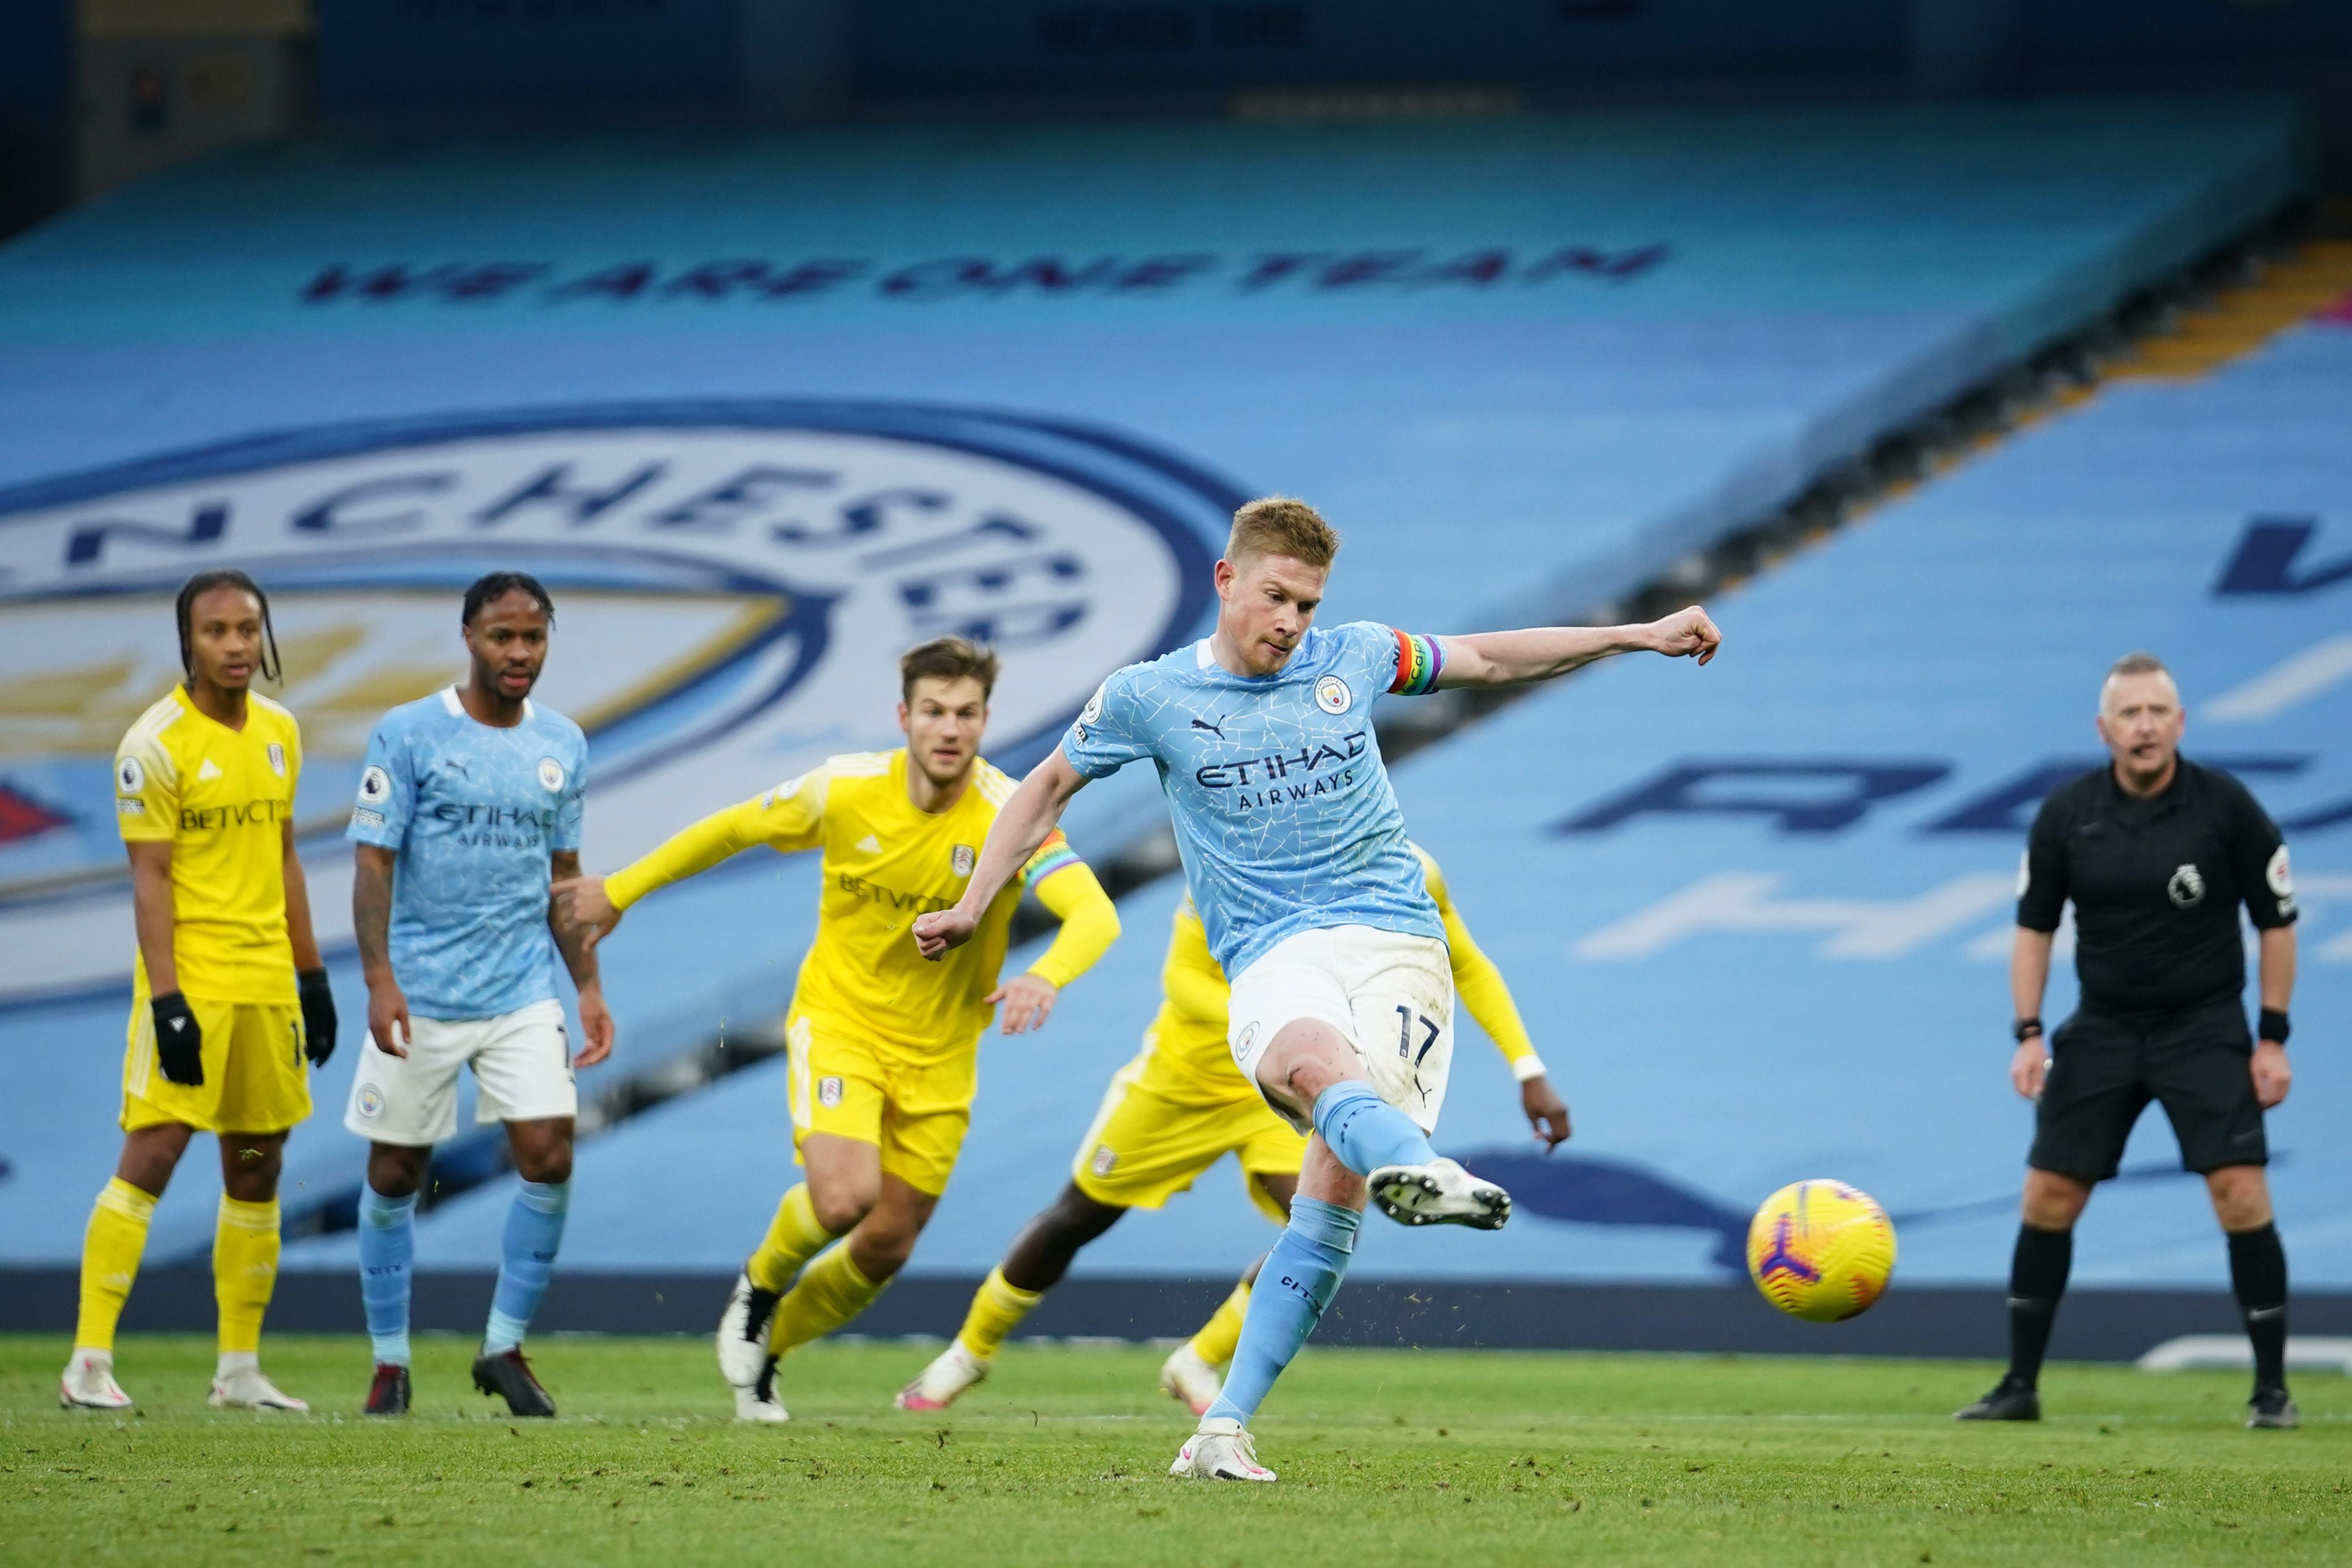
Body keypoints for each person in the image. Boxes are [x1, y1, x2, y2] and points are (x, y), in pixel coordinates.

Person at [913, 496, 1718, 1481]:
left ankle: (1222, 1428)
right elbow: (1041, 790)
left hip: (1394, 941)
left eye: (1307, 603)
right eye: (1275, 597)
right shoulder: (1149, 697)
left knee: (1329, 1204)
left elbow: (1496, 658)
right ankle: (1422, 1165)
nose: (1291, 622)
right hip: (1270, 950)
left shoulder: (1357, 657)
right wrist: (971, 902)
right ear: (1226, 581)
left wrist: (1637, 635)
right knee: (1305, 1061)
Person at [555, 636, 1121, 1421]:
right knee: (845, 1195)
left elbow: (1094, 914)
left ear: (987, 719)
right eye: (933, 712)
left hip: (942, 1057)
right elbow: (733, 829)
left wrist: (1043, 974)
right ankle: (759, 1283)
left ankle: (768, 1352)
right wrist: (621, 888)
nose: (949, 729)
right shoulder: (845, 789)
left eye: (965, 713)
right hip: (841, 1022)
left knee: (888, 1244)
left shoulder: (1007, 812)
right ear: (904, 717)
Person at [898, 842, 1570, 1413]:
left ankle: (1199, 1360)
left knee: (1319, 1223)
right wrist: (1279, 1018)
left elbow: (1464, 962)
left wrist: (1527, 1065)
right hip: (1184, 1078)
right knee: (1076, 1217)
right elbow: (1183, 976)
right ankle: (970, 1352)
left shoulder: (1408, 870)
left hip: (1292, 1087)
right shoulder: (1234, 864)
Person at [1959, 652, 2301, 1430]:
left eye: (2158, 713)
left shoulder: (2226, 807)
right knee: (2048, 1195)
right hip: (2104, 1027)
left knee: (2241, 1192)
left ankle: (2272, 1391)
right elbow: (2034, 928)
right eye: (2129, 714)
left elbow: (2277, 923)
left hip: (2205, 1026)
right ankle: (2019, 1385)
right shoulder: (2067, 813)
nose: (2144, 727)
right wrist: (2028, 1032)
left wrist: (2272, 1038)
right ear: (2103, 728)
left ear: (2180, 722)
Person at [61, 570, 337, 1412]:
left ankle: (239, 1370)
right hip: (197, 981)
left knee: (257, 1167)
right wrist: (168, 1000)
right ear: (189, 641)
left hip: (266, 984)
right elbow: (150, 880)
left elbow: (286, 857)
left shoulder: (282, 731)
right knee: (152, 1155)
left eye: (248, 629)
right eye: (217, 631)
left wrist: (313, 974)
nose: (236, 645)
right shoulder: (154, 744)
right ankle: (89, 1360)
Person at [344, 573, 610, 1418]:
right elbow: (374, 863)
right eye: (503, 637)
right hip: (420, 990)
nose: (520, 653)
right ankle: (390, 1361)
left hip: (520, 987)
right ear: (470, 638)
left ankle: (503, 1347)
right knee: (396, 1172)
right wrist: (380, 978)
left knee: (550, 1153)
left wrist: (589, 987)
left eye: (533, 638)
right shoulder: (411, 733)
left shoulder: (563, 744)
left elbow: (565, 879)